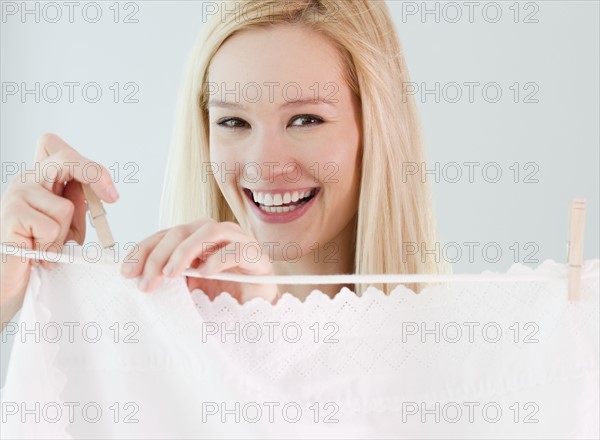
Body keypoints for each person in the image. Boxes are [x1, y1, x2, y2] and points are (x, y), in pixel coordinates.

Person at [0, 0, 442, 328]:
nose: (264, 166)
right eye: (233, 120)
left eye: (305, 119)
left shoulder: (462, 359)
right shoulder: (155, 332)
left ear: (375, 131)